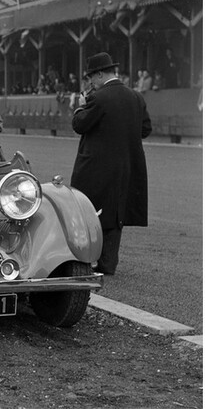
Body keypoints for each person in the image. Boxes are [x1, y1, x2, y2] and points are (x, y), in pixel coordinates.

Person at [70, 52, 151, 276]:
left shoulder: (98, 98)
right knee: (117, 213)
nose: (90, 83)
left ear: (99, 74)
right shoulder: (136, 97)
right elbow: (146, 129)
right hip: (127, 164)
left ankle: (92, 259)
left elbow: (79, 124)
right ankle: (109, 262)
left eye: (90, 78)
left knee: (90, 210)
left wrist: (80, 106)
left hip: (96, 165)